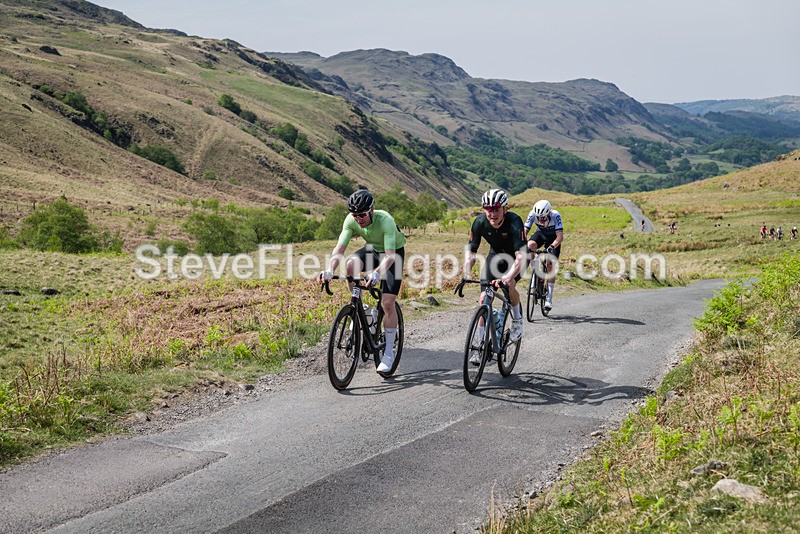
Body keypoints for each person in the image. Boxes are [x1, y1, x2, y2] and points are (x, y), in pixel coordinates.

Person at [317, 189, 406, 373]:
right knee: (350, 266)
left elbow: (390, 257)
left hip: (393, 254)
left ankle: (389, 352)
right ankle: (362, 309)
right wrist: (329, 269)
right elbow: (339, 249)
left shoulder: (385, 220)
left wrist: (376, 273)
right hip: (373, 249)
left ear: (371, 210)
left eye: (362, 215)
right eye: (355, 215)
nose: (358, 219)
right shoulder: (350, 220)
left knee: (387, 303)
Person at [463, 189, 526, 360]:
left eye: (496, 209)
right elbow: (471, 252)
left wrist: (508, 277)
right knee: (484, 299)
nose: (492, 214)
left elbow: (521, 257)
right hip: (495, 257)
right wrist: (466, 273)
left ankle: (517, 320)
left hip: (516, 259)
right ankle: (479, 347)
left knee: (509, 285)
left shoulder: (514, 222)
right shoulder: (479, 222)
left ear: (505, 209)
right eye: (488, 209)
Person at [524, 199, 564, 311]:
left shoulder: (555, 215)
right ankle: (535, 271)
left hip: (553, 238)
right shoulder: (532, 214)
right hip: (541, 234)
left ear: (548, 213)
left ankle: (549, 299)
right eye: (538, 218)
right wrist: (522, 243)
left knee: (550, 264)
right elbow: (524, 231)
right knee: (530, 245)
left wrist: (551, 247)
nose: (540, 220)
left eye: (543, 218)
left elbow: (560, 236)